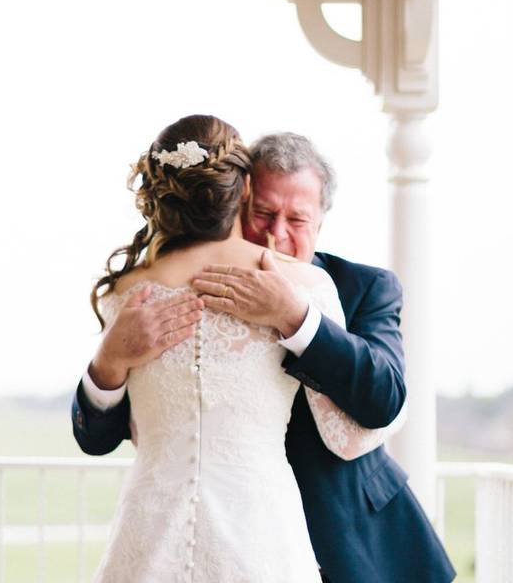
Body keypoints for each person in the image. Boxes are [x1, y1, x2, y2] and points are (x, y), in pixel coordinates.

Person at [73, 130, 456, 582]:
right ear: (239, 201)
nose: (277, 234)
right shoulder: (164, 289)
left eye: (297, 220)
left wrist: (295, 317)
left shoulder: (361, 288)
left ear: (321, 222)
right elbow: (100, 435)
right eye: (264, 213)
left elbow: (384, 400)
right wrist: (109, 359)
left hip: (354, 546)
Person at [84, 115, 349, 581]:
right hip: (262, 533)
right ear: (243, 191)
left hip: (148, 535)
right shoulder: (306, 285)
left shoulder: (123, 294)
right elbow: (353, 431)